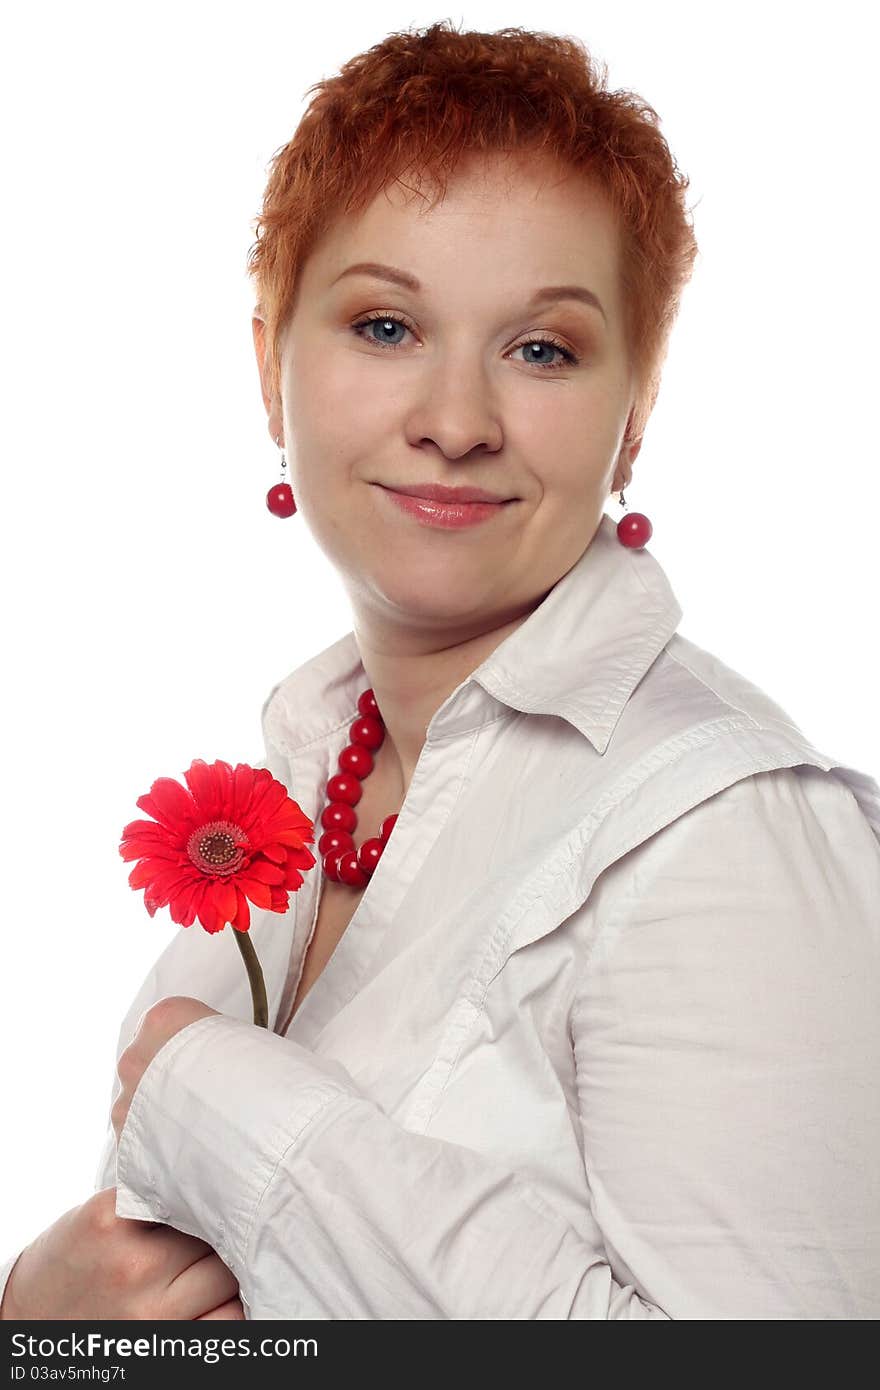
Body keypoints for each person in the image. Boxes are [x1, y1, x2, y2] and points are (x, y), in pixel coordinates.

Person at [3, 19, 879, 1321]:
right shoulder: (296, 781)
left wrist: (223, 1107)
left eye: (542, 349)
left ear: (637, 408)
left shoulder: (726, 832)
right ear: (268, 369)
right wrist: (38, 1320)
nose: (457, 422)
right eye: (386, 322)